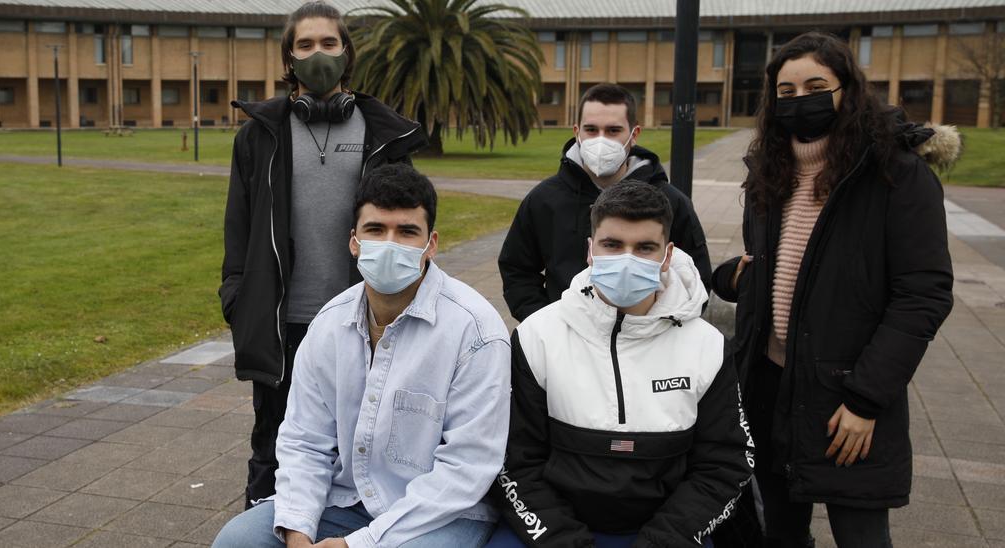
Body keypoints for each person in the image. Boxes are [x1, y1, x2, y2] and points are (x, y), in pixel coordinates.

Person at [710, 32, 957, 547]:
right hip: (769, 388)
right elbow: (793, 264)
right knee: (777, 532)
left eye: (816, 85)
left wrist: (867, 400)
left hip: (848, 395)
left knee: (861, 535)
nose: (801, 100)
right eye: (787, 91)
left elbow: (922, 295)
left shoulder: (897, 174)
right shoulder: (768, 172)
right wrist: (742, 275)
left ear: (848, 90)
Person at [212, 163, 510, 548]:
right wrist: (298, 529)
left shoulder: (476, 332)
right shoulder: (328, 325)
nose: (389, 244)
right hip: (348, 499)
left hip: (438, 514)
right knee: (237, 542)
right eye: (375, 230)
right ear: (354, 241)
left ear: (431, 243)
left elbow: (467, 468)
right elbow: (305, 440)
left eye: (406, 232)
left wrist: (361, 543)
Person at [221, 1, 427, 508]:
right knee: (274, 442)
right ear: (289, 58)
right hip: (283, 320)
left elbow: (410, 224)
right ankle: (266, 524)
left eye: (329, 43)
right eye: (305, 44)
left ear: (346, 52)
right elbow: (238, 227)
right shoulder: (258, 136)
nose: (318, 55)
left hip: (367, 319)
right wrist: (236, 297)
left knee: (366, 441)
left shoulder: (384, 135)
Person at [485, 181, 752, 548]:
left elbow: (725, 465)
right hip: (551, 532)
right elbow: (512, 462)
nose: (628, 260)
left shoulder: (707, 348)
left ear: (668, 255)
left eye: (645, 248)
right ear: (590, 251)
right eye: (612, 245)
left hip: (667, 534)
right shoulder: (537, 337)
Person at [498, 84, 711, 323]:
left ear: (634, 134)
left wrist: (662, 328)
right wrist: (544, 323)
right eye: (591, 129)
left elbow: (695, 276)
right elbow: (517, 269)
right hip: (566, 339)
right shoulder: (544, 199)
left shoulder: (670, 202)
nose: (601, 140)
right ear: (577, 132)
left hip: (647, 340)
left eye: (613, 130)